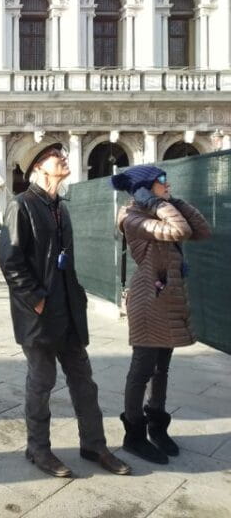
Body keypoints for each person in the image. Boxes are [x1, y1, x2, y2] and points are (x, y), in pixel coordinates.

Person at [0, 143, 130, 478]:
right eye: (58, 157)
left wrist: (74, 298)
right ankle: (38, 448)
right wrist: (37, 299)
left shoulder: (60, 207)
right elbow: (11, 262)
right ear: (39, 167)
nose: (65, 159)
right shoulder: (22, 205)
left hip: (69, 309)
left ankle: (94, 445)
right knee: (41, 384)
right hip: (40, 314)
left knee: (84, 382)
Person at [112, 165, 211, 464]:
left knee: (161, 369)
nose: (168, 184)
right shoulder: (132, 217)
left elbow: (201, 230)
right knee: (142, 369)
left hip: (167, 298)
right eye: (162, 181)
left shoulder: (159, 210)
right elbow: (180, 230)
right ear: (144, 188)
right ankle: (134, 435)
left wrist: (173, 202)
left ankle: (157, 425)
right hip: (147, 300)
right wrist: (158, 204)